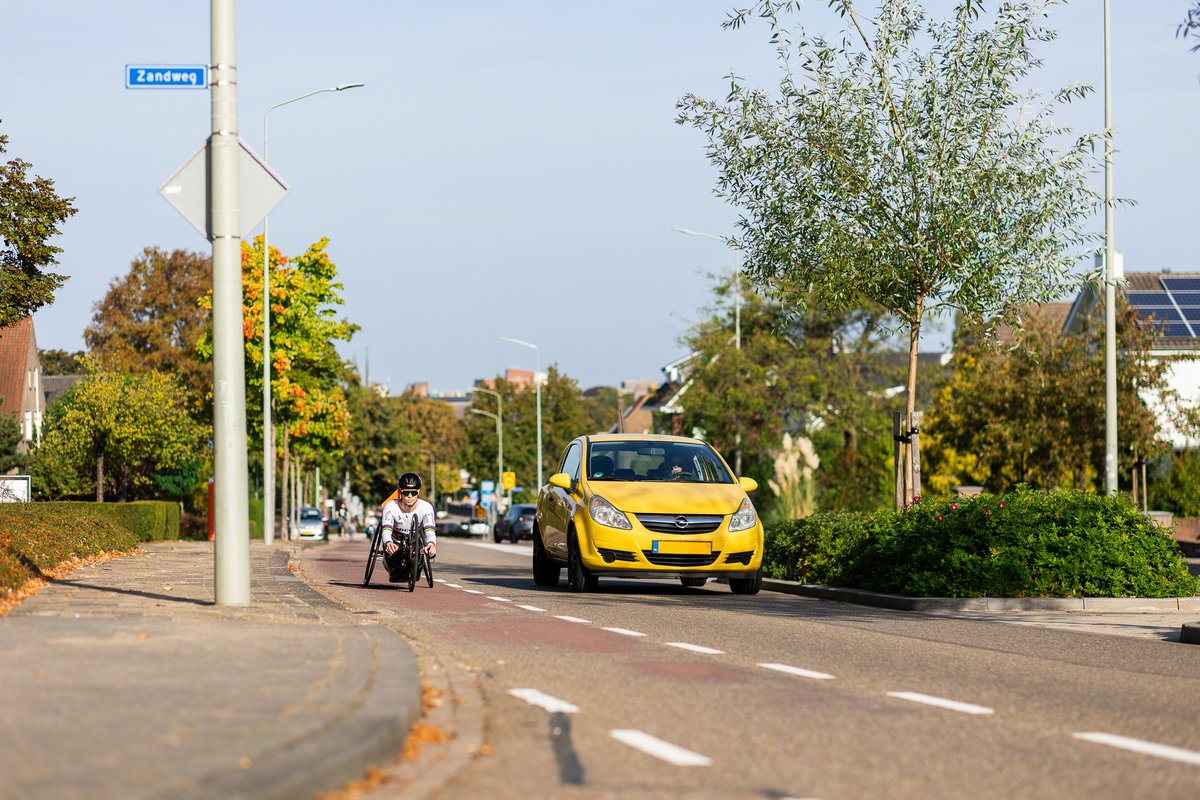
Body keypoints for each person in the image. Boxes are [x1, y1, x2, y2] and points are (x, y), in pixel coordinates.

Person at [381, 472, 437, 582]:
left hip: (415, 542)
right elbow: (386, 530)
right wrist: (388, 543)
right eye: (406, 492)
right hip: (396, 541)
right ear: (400, 491)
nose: (410, 496)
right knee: (397, 575)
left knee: (415, 573)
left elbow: (430, 530)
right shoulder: (391, 506)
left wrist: (431, 544)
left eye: (413, 492)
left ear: (418, 492)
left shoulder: (426, 507)